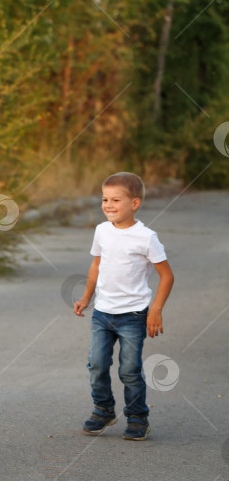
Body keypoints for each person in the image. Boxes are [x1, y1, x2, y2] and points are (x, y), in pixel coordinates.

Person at [73, 172, 174, 441]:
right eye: (105, 199)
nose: (108, 205)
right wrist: (86, 297)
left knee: (129, 370)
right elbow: (96, 265)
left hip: (133, 315)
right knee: (96, 365)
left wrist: (156, 309)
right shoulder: (101, 231)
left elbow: (167, 275)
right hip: (102, 313)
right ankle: (104, 410)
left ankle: (138, 416)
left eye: (116, 199)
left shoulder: (146, 237)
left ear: (135, 203)